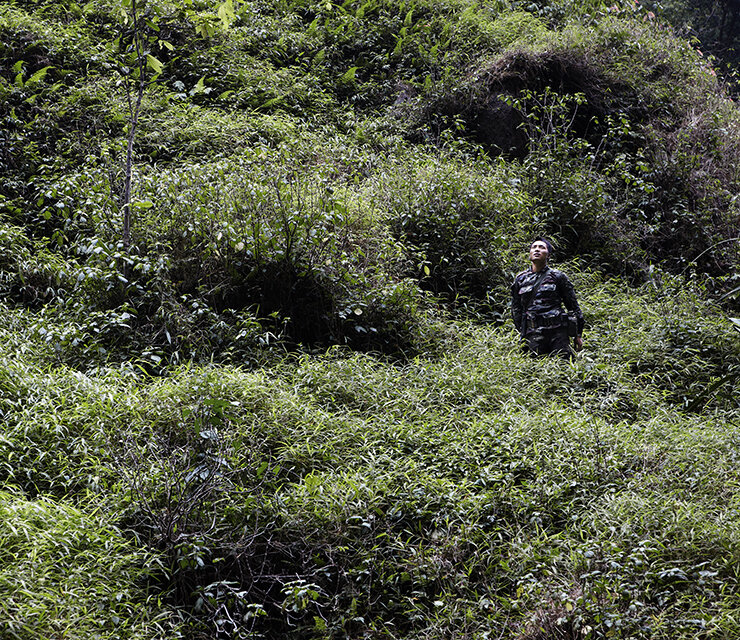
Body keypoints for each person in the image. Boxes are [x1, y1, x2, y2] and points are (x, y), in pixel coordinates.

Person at [511, 238, 584, 359]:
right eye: (534, 247)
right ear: (529, 253)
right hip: (533, 334)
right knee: (534, 371)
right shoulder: (521, 279)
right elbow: (516, 308)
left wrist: (578, 335)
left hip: (558, 333)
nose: (537, 250)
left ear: (548, 255)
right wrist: (522, 330)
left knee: (563, 368)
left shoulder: (558, 276)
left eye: (541, 247)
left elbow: (573, 306)